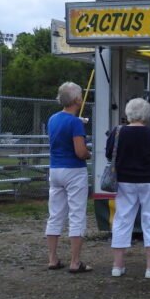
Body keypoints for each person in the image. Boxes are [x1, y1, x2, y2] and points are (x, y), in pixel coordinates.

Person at [106, 98, 150, 278]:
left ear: (128, 113)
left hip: (125, 181)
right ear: (147, 115)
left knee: (122, 219)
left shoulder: (117, 132)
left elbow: (110, 154)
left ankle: (117, 266)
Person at [45, 82, 93, 273]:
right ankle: (75, 262)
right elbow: (80, 152)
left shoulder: (52, 119)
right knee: (77, 215)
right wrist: (89, 154)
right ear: (77, 100)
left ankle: (53, 258)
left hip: (55, 169)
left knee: (55, 213)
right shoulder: (75, 123)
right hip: (74, 171)